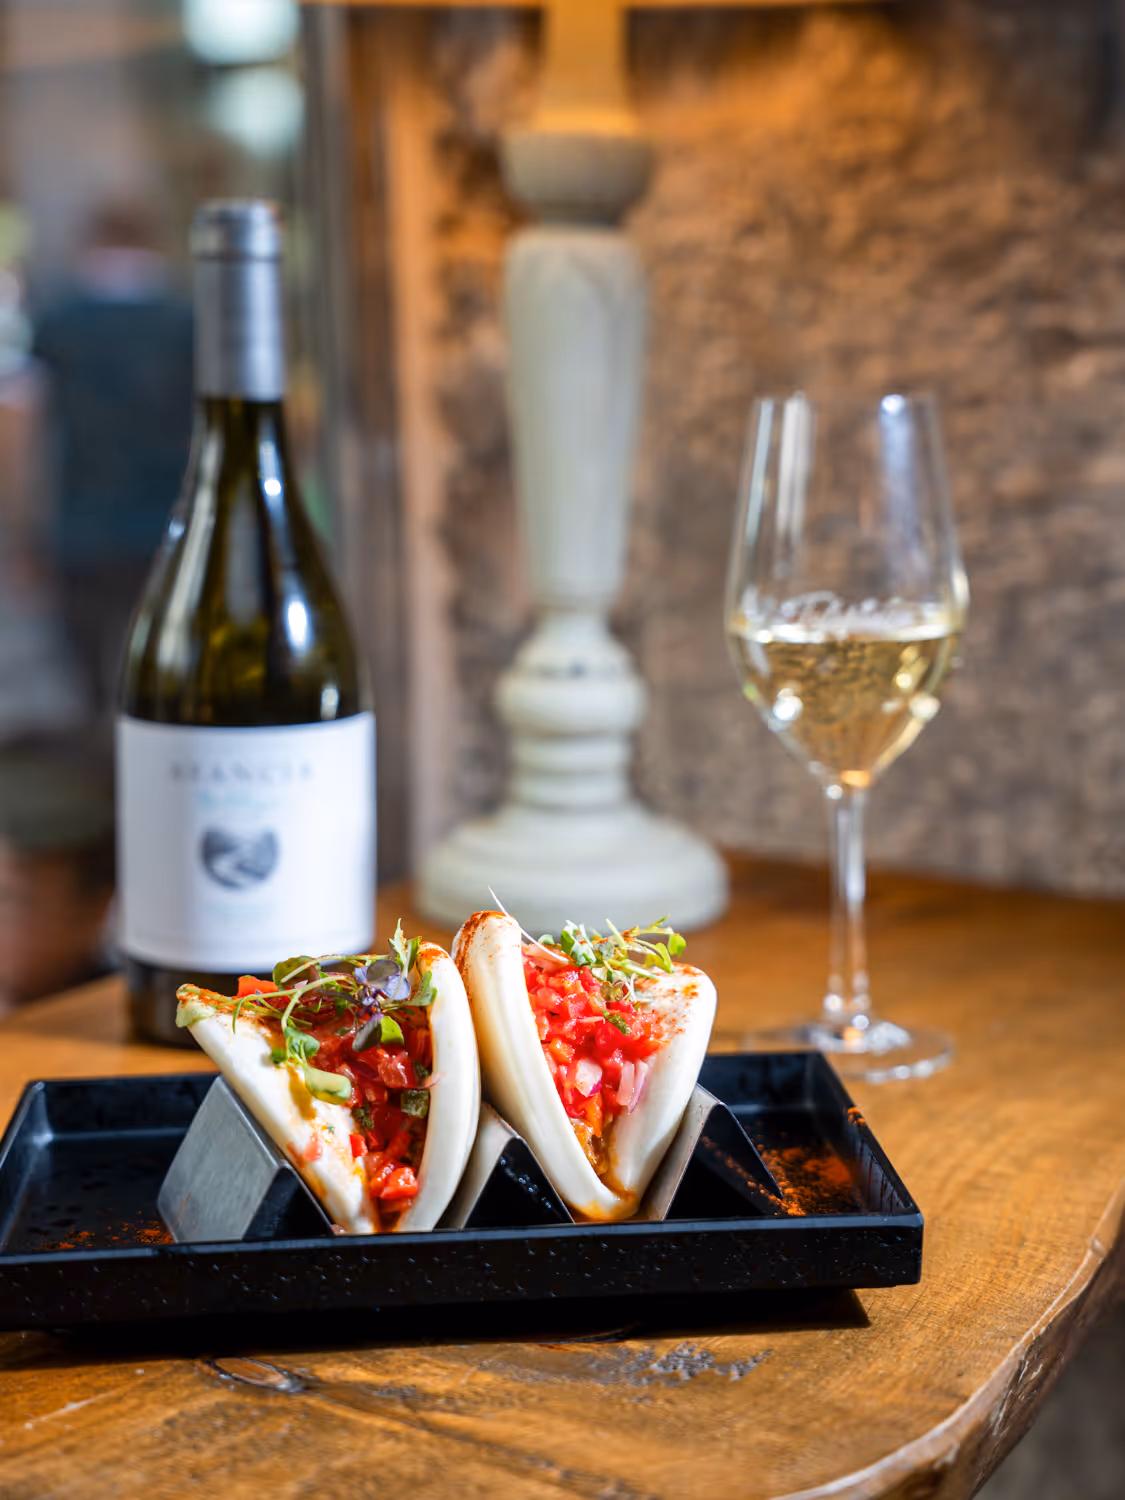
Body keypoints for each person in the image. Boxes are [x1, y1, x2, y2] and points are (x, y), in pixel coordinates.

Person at [32, 201, 194, 726]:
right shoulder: (184, 321)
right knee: (164, 656)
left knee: (91, 668)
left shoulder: (60, 321)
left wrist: (23, 523)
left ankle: (106, 756)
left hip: (84, 520)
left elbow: (28, 425)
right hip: (168, 516)